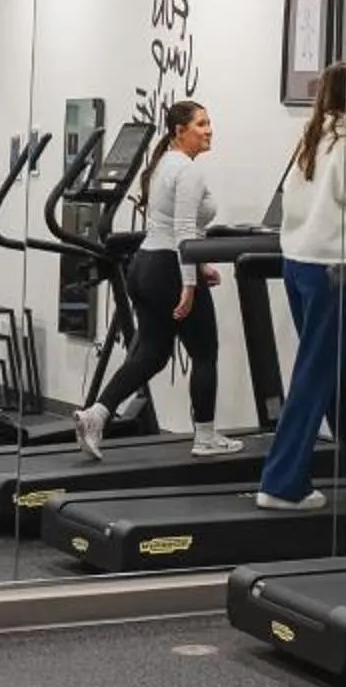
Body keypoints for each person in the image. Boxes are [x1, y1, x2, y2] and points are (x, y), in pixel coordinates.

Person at [251, 62, 346, 512]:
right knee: (317, 373)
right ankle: (282, 482)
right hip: (333, 272)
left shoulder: (313, 138)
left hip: (299, 264)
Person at [75, 100, 238, 461]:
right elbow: (182, 230)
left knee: (151, 353)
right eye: (201, 124)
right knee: (205, 351)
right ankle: (206, 437)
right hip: (170, 268)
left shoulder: (164, 164)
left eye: (210, 122)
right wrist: (189, 284)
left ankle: (96, 414)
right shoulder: (189, 171)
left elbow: (168, 227)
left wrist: (202, 265)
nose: (209, 130)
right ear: (180, 131)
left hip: (146, 264)